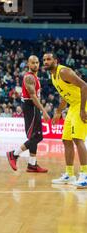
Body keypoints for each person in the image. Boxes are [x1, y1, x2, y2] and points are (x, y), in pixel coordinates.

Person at [43, 52, 87, 187]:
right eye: (44, 60)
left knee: (78, 139)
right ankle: (69, 174)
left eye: (49, 59)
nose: (46, 62)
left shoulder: (64, 71)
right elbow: (64, 96)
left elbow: (85, 86)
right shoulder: (52, 76)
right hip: (73, 106)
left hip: (82, 105)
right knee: (66, 140)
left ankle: (85, 175)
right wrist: (57, 112)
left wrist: (82, 109)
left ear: (55, 60)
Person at [6, 55, 50, 173]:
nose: (35, 64)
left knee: (35, 136)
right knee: (37, 137)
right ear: (28, 64)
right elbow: (33, 96)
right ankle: (14, 154)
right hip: (31, 107)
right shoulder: (29, 77)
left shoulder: (35, 77)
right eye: (33, 63)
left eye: (37, 62)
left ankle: (32, 164)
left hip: (33, 107)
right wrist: (44, 111)